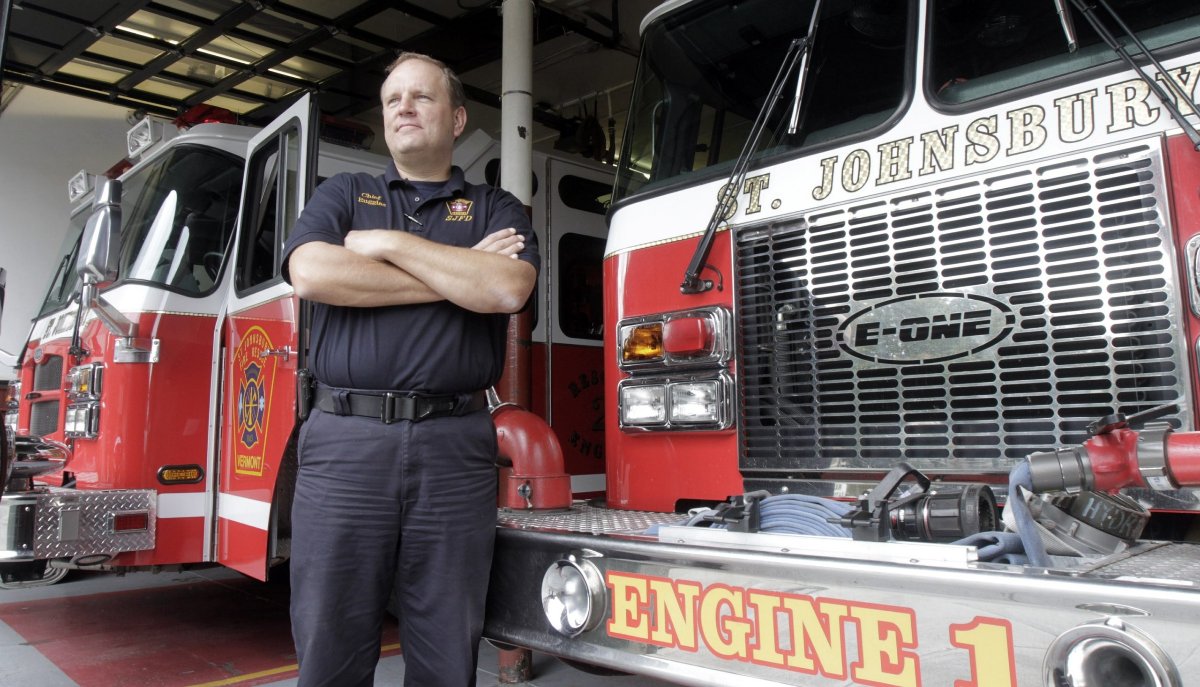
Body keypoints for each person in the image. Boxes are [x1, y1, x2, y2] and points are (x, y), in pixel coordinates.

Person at [281, 51, 539, 687]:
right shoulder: (343, 194)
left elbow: (507, 288)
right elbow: (311, 272)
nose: (403, 108)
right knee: (330, 648)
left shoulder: (496, 207)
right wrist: (456, 276)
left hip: (454, 448)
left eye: (421, 97)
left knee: (447, 652)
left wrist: (391, 246)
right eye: (393, 99)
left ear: (457, 119)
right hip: (344, 443)